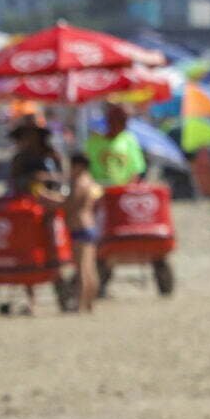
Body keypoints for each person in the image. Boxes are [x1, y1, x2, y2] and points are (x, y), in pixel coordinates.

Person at [64, 154, 103, 313]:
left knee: (81, 269)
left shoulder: (79, 182)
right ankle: (90, 303)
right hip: (90, 226)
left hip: (80, 227)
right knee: (90, 268)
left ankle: (80, 303)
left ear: (78, 166)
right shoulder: (90, 181)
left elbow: (70, 205)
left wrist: (48, 199)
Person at [84, 104, 147, 187]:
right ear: (109, 120)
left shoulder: (129, 140)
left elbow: (136, 170)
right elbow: (84, 168)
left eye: (123, 121)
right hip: (97, 189)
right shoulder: (94, 142)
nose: (121, 124)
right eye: (117, 120)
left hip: (121, 190)